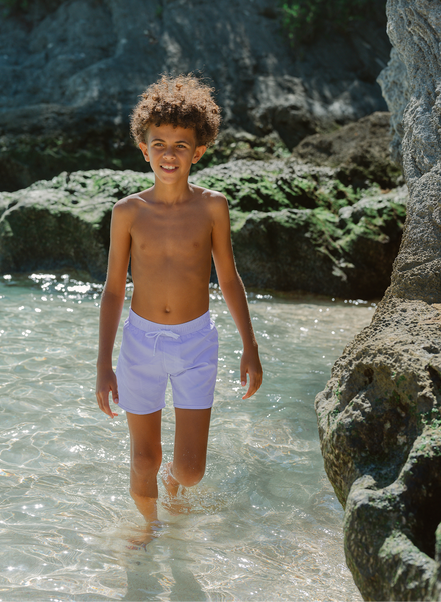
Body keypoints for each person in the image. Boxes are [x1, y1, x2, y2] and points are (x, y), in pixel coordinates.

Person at [95, 74, 263, 546]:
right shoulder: (128, 211)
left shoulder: (213, 208)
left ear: (200, 151)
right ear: (144, 149)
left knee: (189, 470)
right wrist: (103, 364)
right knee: (143, 458)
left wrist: (250, 346)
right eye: (160, 144)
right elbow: (112, 290)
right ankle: (148, 531)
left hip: (194, 342)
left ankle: (172, 485)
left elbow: (228, 278)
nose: (170, 154)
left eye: (181, 146)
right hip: (140, 344)